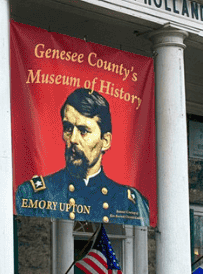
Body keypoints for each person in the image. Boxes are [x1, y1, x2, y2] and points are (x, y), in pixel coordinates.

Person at [15, 87, 150, 226]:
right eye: (68, 128)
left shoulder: (128, 202)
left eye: (83, 131)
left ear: (105, 141)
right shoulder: (35, 194)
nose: (73, 139)